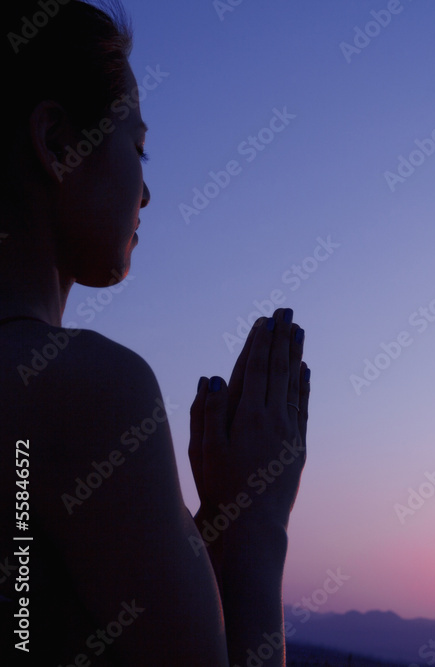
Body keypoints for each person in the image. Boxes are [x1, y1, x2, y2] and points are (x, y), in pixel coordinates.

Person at [0, 1, 310, 664]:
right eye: (137, 146)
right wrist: (256, 523)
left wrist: (207, 533)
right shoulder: (84, 389)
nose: (147, 192)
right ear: (57, 143)